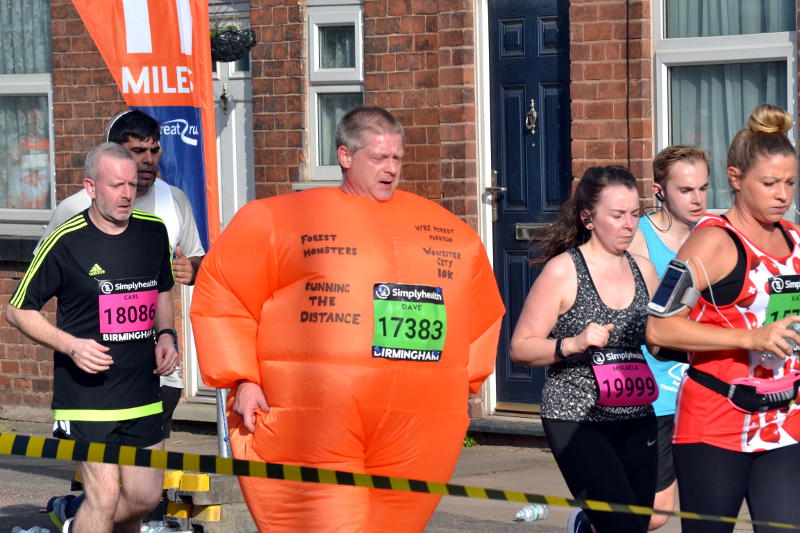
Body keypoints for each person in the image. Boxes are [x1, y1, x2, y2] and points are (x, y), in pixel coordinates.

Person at [190, 106, 505, 532]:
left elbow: (481, 315)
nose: (391, 169)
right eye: (379, 158)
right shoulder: (279, 220)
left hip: (415, 423)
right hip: (314, 419)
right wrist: (242, 379)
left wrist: (458, 386)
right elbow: (226, 294)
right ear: (344, 156)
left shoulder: (449, 233)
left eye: (397, 158)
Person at [6, 142, 178, 533]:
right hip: (86, 397)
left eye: (132, 185)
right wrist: (72, 345)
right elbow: (17, 309)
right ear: (90, 186)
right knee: (104, 496)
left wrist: (167, 335)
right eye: (117, 185)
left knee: (145, 499)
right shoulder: (66, 241)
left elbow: (162, 289)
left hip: (142, 390)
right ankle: (84, 518)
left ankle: (74, 520)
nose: (126, 194)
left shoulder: (153, 232)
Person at [647, 104, 800, 532]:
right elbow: (658, 328)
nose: (782, 195)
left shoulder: (795, 239)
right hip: (716, 423)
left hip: (783, 419)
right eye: (769, 183)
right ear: (735, 179)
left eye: (789, 183)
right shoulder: (712, 241)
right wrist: (752, 340)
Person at [37, 109, 205, 437]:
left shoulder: (174, 201)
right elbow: (41, 278)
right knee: (99, 480)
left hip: (154, 368)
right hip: (95, 372)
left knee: (143, 479)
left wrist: (193, 269)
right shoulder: (74, 209)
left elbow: (199, 261)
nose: (148, 160)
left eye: (154, 150)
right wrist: (70, 344)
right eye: (137, 151)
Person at [510, 166, 660, 533]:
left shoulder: (644, 269)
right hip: (576, 414)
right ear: (588, 218)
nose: (629, 225)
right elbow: (520, 347)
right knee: (621, 526)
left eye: (635, 214)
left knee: (638, 524)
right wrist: (573, 344)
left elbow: (659, 340)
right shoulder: (564, 271)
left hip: (635, 412)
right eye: (617, 215)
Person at [627, 145, 709, 530]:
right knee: (657, 512)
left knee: (704, 500)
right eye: (686, 190)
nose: (697, 199)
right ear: (659, 189)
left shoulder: (713, 234)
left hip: (704, 387)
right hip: (656, 385)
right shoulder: (639, 238)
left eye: (703, 189)